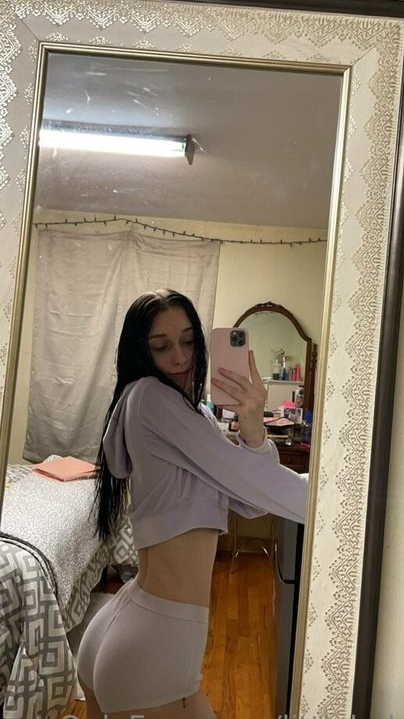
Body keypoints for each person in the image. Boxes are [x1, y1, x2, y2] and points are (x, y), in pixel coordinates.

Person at [77, 289, 308, 719]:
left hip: (133, 618)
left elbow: (251, 501)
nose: (180, 357)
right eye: (162, 346)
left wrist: (253, 427)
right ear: (141, 352)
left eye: (187, 342)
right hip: (157, 635)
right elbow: (258, 485)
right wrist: (336, 508)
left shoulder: (192, 416)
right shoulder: (151, 397)